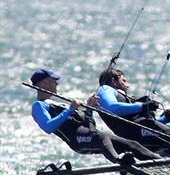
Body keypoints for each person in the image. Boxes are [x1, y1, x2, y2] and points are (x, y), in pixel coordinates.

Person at [30, 67, 160, 164]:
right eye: (54, 81)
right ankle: (118, 160)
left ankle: (161, 162)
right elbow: (48, 127)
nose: (56, 84)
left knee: (131, 144)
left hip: (90, 135)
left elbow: (88, 125)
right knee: (100, 136)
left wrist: (89, 108)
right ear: (44, 83)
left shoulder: (57, 103)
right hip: (77, 140)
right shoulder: (39, 105)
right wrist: (69, 110)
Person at [95, 67, 170, 156]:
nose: (127, 85)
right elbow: (112, 107)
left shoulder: (126, 99)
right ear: (113, 81)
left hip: (141, 130)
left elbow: (141, 120)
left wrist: (166, 119)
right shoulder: (105, 89)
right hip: (133, 133)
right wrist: (143, 106)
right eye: (124, 81)